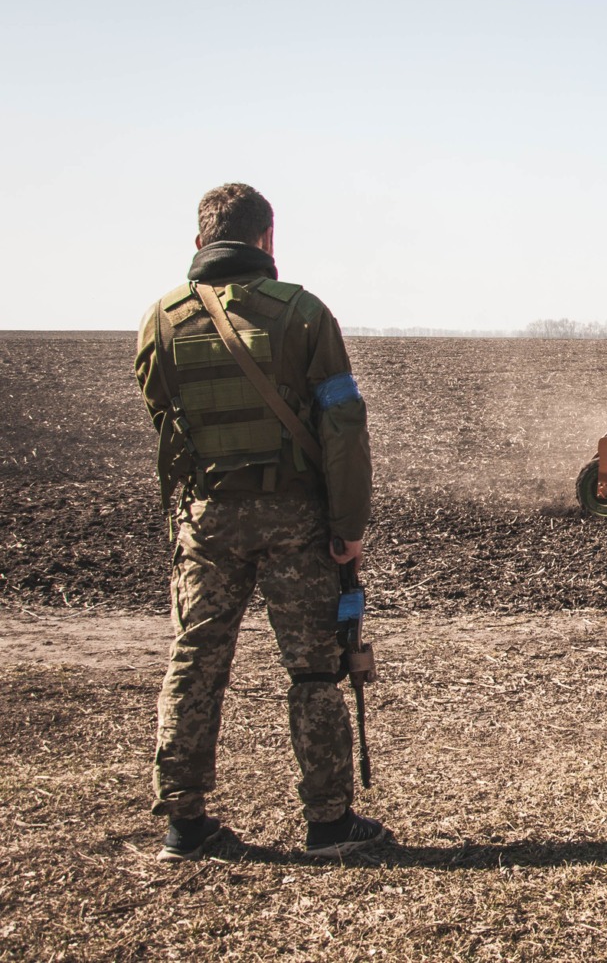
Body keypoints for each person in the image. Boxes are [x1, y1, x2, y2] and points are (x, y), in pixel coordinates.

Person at [134, 183, 387, 860]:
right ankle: (328, 822)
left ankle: (184, 824)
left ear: (200, 242)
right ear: (267, 239)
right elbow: (342, 424)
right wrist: (348, 524)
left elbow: (166, 425)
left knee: (194, 661)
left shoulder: (160, 321)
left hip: (206, 518)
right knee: (313, 671)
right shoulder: (303, 314)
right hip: (294, 521)